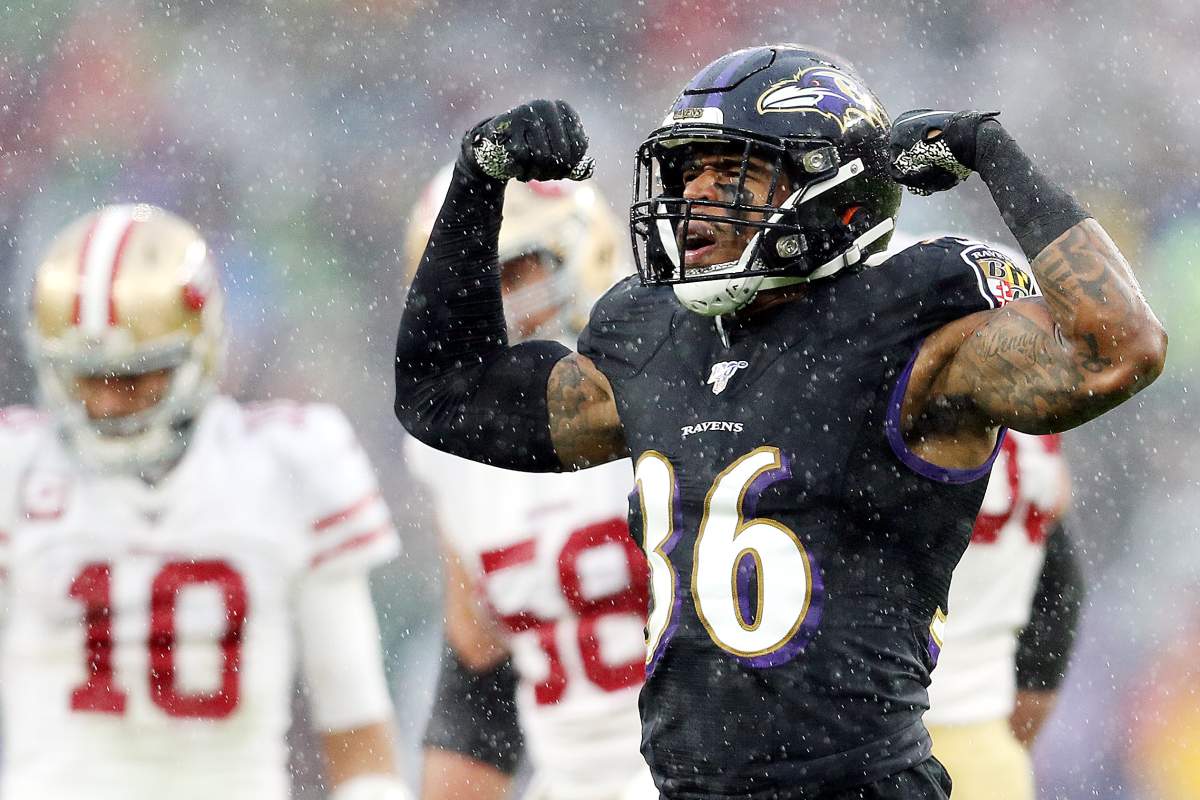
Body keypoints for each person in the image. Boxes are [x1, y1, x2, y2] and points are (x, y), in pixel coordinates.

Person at [393, 44, 1166, 799]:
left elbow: (1117, 350)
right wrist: (479, 175)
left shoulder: (912, 323)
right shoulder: (653, 337)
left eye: (731, 173)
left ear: (830, 186)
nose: (696, 198)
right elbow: (444, 394)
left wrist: (994, 155)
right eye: (687, 173)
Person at [1, 203, 412, 800]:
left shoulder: (287, 466)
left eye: (133, 376)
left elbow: (356, 729)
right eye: (87, 378)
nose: (109, 403)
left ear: (201, 352)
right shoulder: (16, 468)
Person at [403, 167, 657, 800]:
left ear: (582, 251)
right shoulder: (450, 452)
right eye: (469, 289)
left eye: (515, 273)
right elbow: (479, 666)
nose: (494, 308)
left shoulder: (666, 384)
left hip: (711, 768)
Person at [925, 431, 1085, 800]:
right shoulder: (1036, 436)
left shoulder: (894, 418)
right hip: (986, 750)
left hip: (869, 739)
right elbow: (1061, 592)